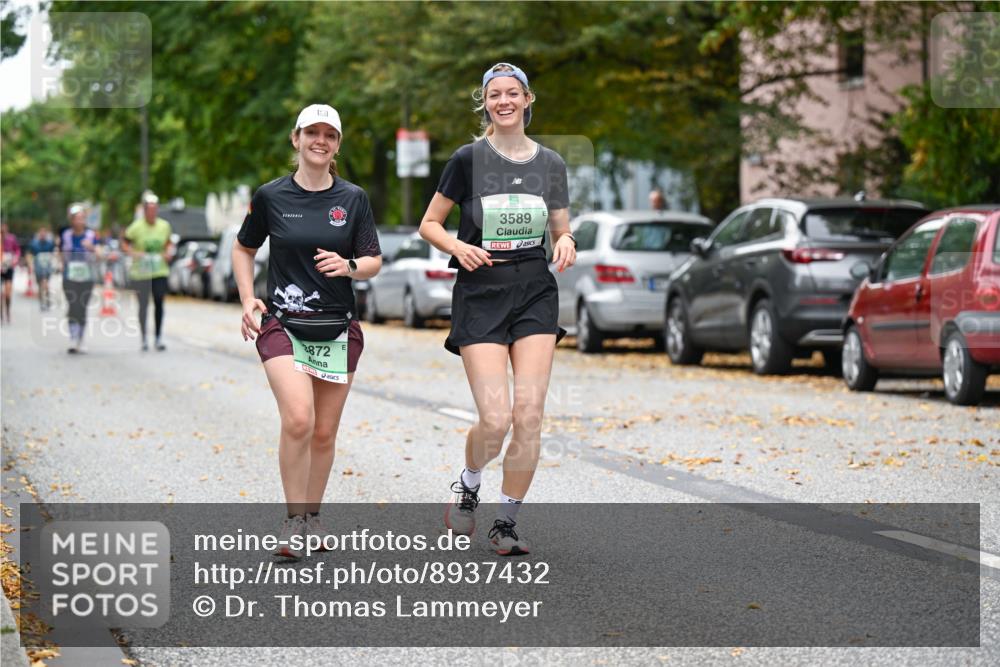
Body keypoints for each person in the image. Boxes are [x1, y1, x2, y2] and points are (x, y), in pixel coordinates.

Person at [418, 63, 577, 556]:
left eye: (512, 93)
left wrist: (567, 240)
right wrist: (457, 247)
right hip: (481, 291)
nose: (503, 101)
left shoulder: (551, 163)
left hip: (534, 290)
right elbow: (430, 223)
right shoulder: (467, 159)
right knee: (496, 418)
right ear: (485, 103)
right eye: (494, 94)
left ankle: (505, 523)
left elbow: (561, 227)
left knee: (528, 414)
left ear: (528, 99)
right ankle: (469, 482)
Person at [233, 104, 382, 559]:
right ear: (296, 139)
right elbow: (243, 248)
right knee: (299, 418)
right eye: (312, 132)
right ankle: (293, 520)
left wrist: (349, 265)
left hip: (337, 327)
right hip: (283, 323)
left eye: (329, 135)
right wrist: (247, 298)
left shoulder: (353, 198)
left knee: (324, 432)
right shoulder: (271, 196)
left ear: (337, 145)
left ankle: (313, 515)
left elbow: (372, 260)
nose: (320, 141)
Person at [123, 192, 173, 351]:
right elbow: (124, 243)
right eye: (149, 209)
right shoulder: (136, 227)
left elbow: (168, 243)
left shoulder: (164, 226)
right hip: (141, 272)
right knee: (143, 305)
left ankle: (158, 337)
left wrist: (168, 252)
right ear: (144, 210)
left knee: (159, 301)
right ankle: (144, 337)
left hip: (159, 271)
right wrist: (134, 253)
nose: (152, 212)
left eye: (154, 209)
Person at [58, 204, 101, 353]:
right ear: (71, 220)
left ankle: (81, 339)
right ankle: (73, 337)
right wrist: (61, 263)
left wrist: (91, 247)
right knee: (73, 305)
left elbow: (99, 254)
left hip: (86, 277)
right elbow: (61, 253)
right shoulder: (65, 235)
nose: (79, 221)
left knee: (82, 307)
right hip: (69, 276)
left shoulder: (91, 235)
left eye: (82, 218)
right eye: (76, 218)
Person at [28, 225, 57, 311]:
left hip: (47, 268)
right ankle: (42, 302)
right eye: (41, 232)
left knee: (45, 284)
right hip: (38, 268)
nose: (43, 234)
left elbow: (55, 252)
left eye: (44, 232)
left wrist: (55, 261)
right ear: (39, 233)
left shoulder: (50, 243)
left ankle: (47, 301)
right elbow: (29, 254)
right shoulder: (34, 244)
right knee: (40, 286)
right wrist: (30, 264)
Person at [1, 223, 22, 324]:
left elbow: (17, 250)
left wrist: (15, 259)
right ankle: (1, 314)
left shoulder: (11, 238)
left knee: (7, 293)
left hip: (8, 267)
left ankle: (8, 311)